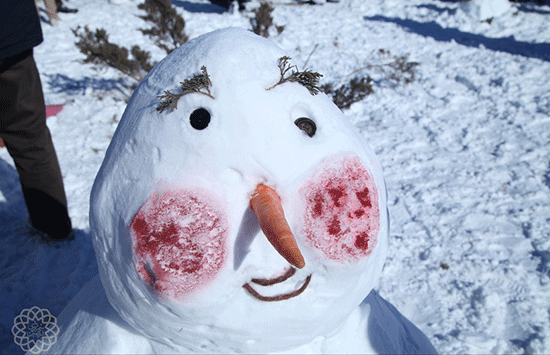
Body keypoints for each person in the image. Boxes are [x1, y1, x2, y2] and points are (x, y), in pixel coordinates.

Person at [0, 0, 73, 240]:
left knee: (29, 134)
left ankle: (53, 225)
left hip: (11, 34)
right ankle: (54, 225)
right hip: (10, 31)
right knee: (29, 137)